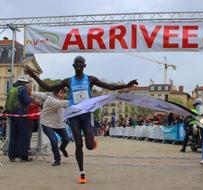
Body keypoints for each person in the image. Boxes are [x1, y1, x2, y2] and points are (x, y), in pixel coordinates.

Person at [25, 55, 138, 183]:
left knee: (89, 146)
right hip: (74, 116)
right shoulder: (68, 81)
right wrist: (33, 76)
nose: (78, 64)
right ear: (73, 66)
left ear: (84, 66)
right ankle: (82, 173)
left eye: (81, 63)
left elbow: (109, 87)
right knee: (78, 143)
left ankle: (91, 141)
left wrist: (126, 85)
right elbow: (49, 88)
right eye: (76, 63)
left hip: (86, 115)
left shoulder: (90, 79)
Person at [31, 88, 69, 166]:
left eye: (64, 93)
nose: (63, 95)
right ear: (56, 93)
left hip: (58, 123)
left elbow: (40, 94)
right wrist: (31, 93)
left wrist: (32, 92)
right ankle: (57, 159)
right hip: (47, 123)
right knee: (54, 140)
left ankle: (62, 148)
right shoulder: (51, 99)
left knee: (66, 139)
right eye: (61, 93)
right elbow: (61, 104)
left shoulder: (59, 98)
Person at [6, 76, 33, 162]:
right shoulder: (23, 89)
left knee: (13, 135)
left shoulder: (11, 89)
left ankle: (11, 156)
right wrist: (30, 98)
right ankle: (23, 156)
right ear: (24, 82)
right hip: (22, 115)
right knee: (23, 136)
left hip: (12, 114)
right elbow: (27, 101)